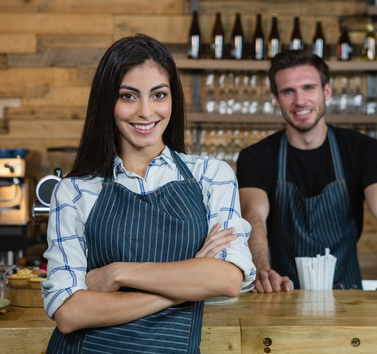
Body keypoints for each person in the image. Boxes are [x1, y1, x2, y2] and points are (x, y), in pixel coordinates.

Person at [42, 34, 256, 354]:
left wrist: (117, 273)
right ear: (107, 104)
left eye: (159, 95)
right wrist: (192, 277)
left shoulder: (211, 176)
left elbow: (226, 280)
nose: (146, 111)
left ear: (173, 100)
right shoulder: (73, 191)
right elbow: (70, 313)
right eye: (128, 96)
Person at [236, 49, 377, 294]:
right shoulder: (256, 157)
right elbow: (253, 216)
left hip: (348, 293)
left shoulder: (363, 150)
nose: (300, 100)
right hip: (280, 292)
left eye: (308, 88)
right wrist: (261, 271)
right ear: (276, 98)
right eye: (288, 91)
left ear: (327, 91)